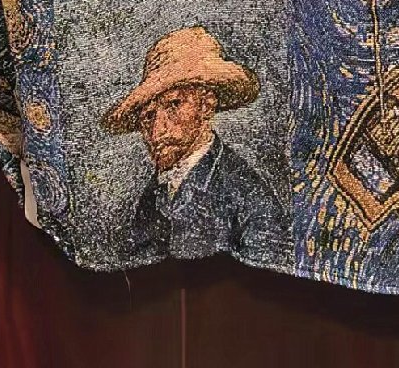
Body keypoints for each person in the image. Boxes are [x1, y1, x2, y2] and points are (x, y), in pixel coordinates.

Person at [100, 25, 288, 263]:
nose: (157, 130)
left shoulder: (247, 195)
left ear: (206, 106)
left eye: (173, 105)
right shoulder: (152, 195)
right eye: (148, 116)